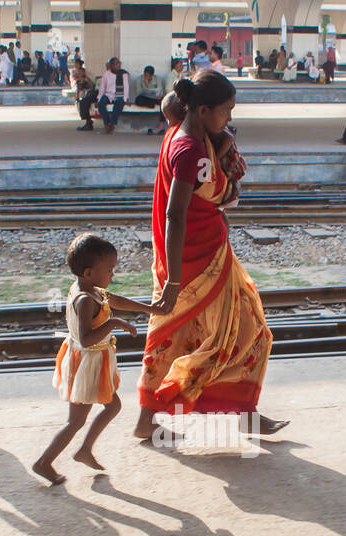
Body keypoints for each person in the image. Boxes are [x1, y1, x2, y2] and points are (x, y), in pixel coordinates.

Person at [135, 69, 288, 442]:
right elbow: (175, 213)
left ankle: (238, 411)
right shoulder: (188, 150)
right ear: (202, 110)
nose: (230, 120)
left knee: (232, 331)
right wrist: (172, 279)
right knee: (227, 335)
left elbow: (171, 103)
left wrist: (218, 148)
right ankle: (165, 410)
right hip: (193, 261)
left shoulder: (188, 128)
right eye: (226, 110)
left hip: (210, 252)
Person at [34, 233, 159, 484]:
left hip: (93, 362)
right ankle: (45, 462)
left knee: (111, 406)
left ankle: (84, 450)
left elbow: (115, 300)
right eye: (110, 269)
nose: (113, 274)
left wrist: (149, 309)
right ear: (89, 272)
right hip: (86, 365)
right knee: (76, 421)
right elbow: (86, 338)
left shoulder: (89, 287)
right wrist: (113, 322)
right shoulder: (85, 300)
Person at [97, 56, 128, 134]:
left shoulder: (124, 74)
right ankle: (107, 122)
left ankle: (112, 123)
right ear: (111, 65)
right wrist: (99, 98)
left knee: (119, 105)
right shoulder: (106, 74)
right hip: (108, 95)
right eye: (116, 64)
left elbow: (126, 87)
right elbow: (102, 87)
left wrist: (125, 99)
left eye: (119, 63)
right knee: (101, 104)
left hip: (119, 95)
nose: (118, 65)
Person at [73, 59, 96, 131]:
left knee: (84, 106)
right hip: (83, 94)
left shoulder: (83, 74)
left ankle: (88, 122)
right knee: (83, 107)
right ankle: (88, 122)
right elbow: (78, 88)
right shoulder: (78, 77)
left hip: (87, 93)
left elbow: (90, 85)